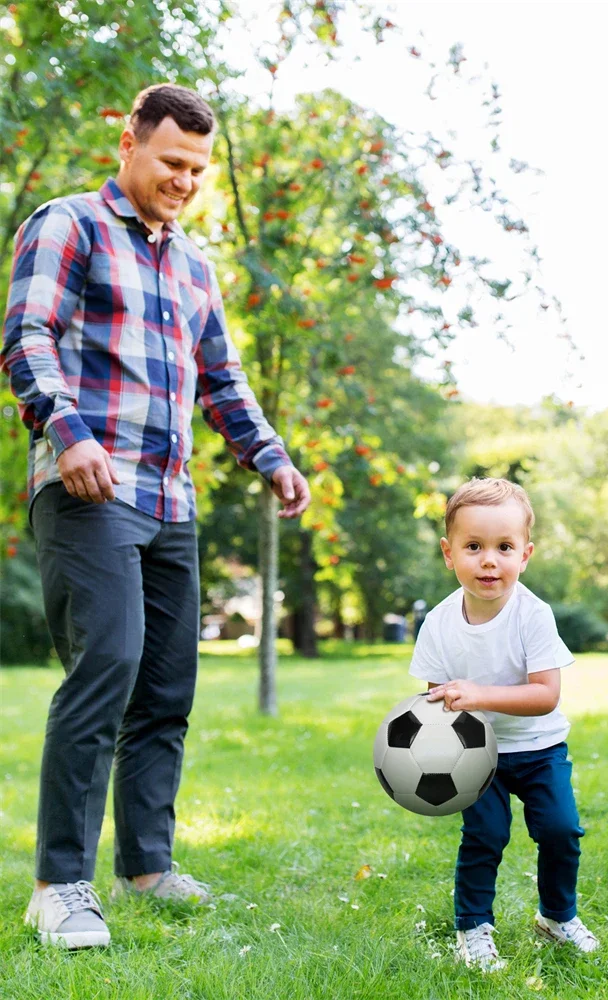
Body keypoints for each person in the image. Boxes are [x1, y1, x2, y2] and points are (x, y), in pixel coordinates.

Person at [1, 83, 311, 948]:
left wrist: (272, 456)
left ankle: (147, 865)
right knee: (109, 665)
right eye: (172, 161)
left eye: (199, 169)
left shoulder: (195, 264)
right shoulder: (68, 223)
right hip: (89, 486)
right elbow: (26, 337)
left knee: (167, 688)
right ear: (129, 140)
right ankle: (60, 884)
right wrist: (67, 433)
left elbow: (222, 381)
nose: (185, 180)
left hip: (171, 496)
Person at [409, 477, 598, 970]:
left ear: (525, 554)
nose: (489, 559)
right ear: (449, 554)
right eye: (474, 546)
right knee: (485, 836)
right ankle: (473, 928)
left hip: (539, 748)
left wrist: (479, 694)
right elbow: (431, 701)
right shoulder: (438, 623)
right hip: (477, 752)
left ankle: (557, 918)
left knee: (560, 830)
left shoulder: (533, 615)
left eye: (504, 547)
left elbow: (545, 695)